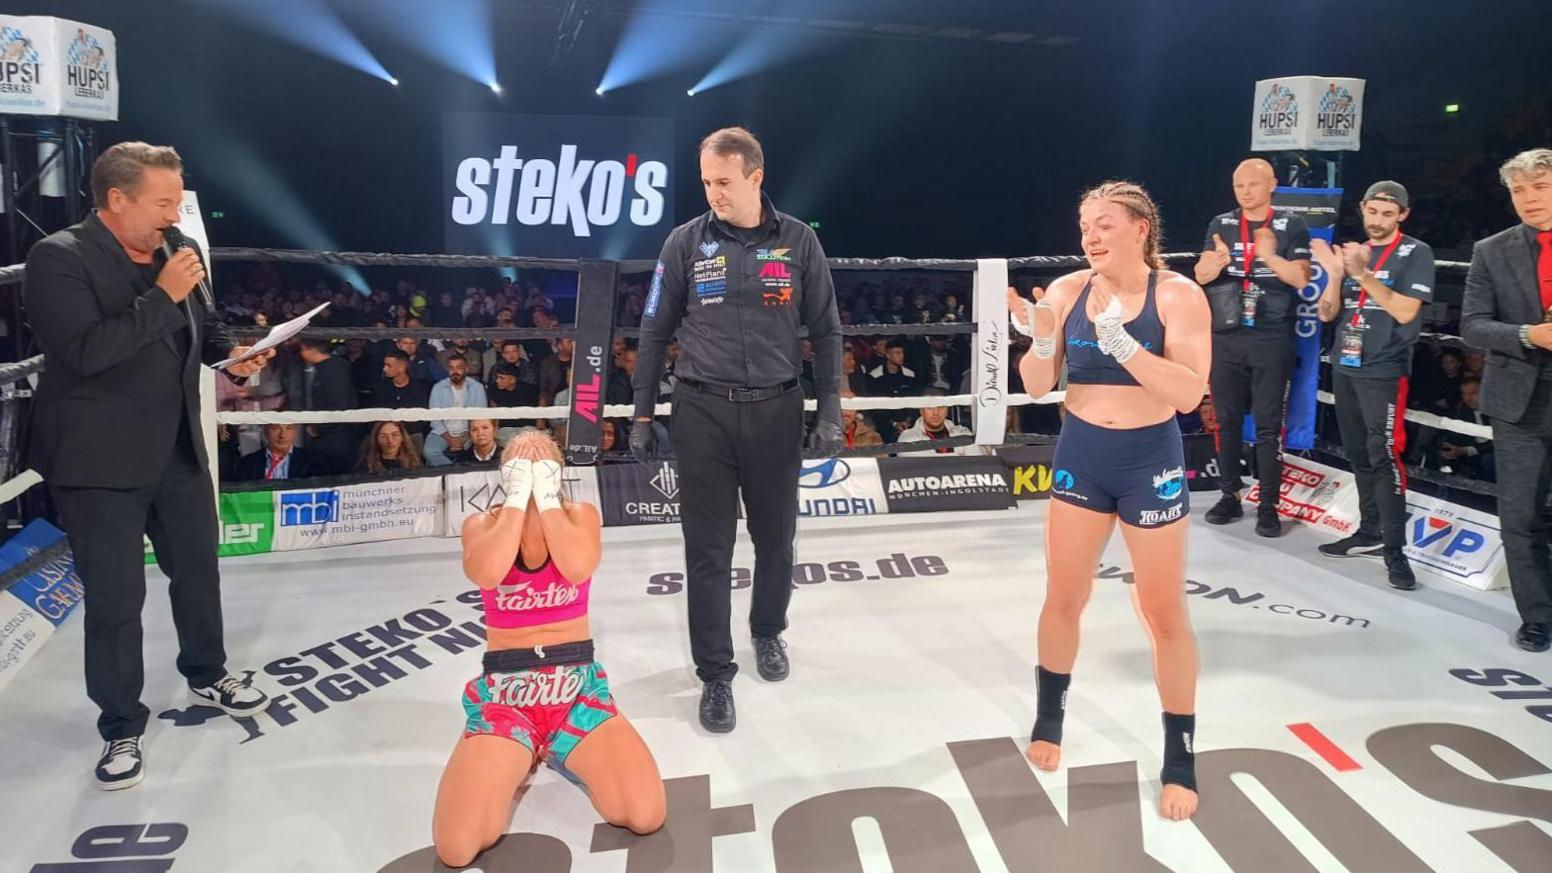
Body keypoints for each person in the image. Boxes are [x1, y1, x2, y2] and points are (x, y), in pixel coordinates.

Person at [23, 141, 274, 790]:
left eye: (176, 200)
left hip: (177, 450)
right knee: (116, 601)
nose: (174, 214)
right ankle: (121, 725)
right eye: (162, 202)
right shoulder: (57, 258)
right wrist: (162, 296)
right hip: (98, 463)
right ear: (117, 200)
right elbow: (84, 352)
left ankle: (208, 670)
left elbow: (206, 329)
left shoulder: (175, 248)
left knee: (198, 572)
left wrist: (237, 356)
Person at [1007, 180, 1211, 821]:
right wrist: (1042, 339)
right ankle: (1049, 720)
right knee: (1064, 596)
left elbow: (1186, 393)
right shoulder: (1068, 291)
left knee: (1164, 613)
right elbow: (1038, 386)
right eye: (1084, 225)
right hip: (1082, 456)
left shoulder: (1177, 294)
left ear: (1141, 228)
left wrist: (1125, 345)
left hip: (1150, 460)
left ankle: (1180, 757)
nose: (1089, 236)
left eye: (1103, 224)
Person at [629, 126, 843, 733]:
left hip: (777, 410)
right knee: (708, 551)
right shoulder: (683, 243)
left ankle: (768, 632)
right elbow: (652, 332)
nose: (713, 193)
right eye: (706, 182)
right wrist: (642, 415)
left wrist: (830, 410)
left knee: (777, 539)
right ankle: (715, 674)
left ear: (755, 177)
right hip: (702, 412)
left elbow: (826, 332)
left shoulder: (800, 242)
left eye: (723, 181)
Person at [434, 432, 665, 867]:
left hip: (575, 689)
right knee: (457, 846)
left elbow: (577, 567)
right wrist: (519, 499)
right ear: (506, 474)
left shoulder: (580, 515)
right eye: (521, 463)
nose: (532, 463)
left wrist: (547, 497)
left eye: (542, 462)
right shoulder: (482, 525)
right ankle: (515, 751)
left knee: (643, 812)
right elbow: (487, 572)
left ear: (557, 472)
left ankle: (555, 748)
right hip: (508, 696)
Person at [1312, 181, 1434, 589]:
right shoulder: (1352, 251)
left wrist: (1362, 274)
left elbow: (1403, 311)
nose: (1378, 220)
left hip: (1384, 368)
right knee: (1359, 453)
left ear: (1402, 214)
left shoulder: (1415, 253)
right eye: (1372, 212)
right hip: (1347, 364)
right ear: (1363, 209)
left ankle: (1395, 551)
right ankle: (1370, 532)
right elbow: (1328, 315)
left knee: (1384, 456)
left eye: (1388, 213)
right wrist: (1333, 276)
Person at [1460, 147, 1552, 652]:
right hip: (1518, 403)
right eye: (1520, 190)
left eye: (1539, 186)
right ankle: (1537, 616)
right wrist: (1527, 335)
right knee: (1519, 517)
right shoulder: (1491, 249)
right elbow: (1471, 326)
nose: (1529, 198)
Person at [1195, 158, 1312, 537]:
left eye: (1253, 184)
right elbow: (1200, 274)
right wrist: (1217, 264)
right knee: (1226, 420)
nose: (1245, 191)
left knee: (1267, 426)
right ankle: (1230, 494)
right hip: (1227, 334)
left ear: (1272, 184)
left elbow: (1300, 278)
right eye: (1239, 185)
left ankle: (1268, 506)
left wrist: (1269, 256)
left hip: (1271, 336)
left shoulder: (1291, 225)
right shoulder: (1221, 224)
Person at [425, 354, 489, 466]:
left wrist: (464, 437)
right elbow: (434, 419)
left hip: (469, 432)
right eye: (451, 368)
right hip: (443, 432)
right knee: (429, 452)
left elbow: (479, 418)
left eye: (459, 367)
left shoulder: (477, 387)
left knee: (484, 447)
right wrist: (450, 439)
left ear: (466, 369)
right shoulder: (438, 387)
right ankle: (454, 472)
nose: (455, 371)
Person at [234, 423, 325, 481]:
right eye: (276, 428)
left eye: (289, 428)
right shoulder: (247, 463)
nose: (282, 435)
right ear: (265, 431)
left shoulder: (313, 461)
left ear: (295, 431)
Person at [357, 420, 425, 474]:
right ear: (376, 439)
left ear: (402, 437)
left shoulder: (414, 462)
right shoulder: (364, 466)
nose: (390, 441)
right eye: (383, 436)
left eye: (395, 435)